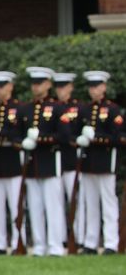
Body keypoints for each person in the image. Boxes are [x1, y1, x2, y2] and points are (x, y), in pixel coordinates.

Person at [16, 67, 68, 256]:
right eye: (34, 83)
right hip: (31, 165)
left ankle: (55, 245)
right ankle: (39, 244)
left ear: (48, 85)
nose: (36, 87)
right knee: (35, 206)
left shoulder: (57, 108)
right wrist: (23, 141)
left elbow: (64, 136)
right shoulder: (26, 109)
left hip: (50, 162)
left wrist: (41, 138)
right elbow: (17, 133)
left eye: (40, 83)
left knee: (53, 206)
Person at [75, 71, 123, 253]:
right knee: (91, 203)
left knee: (108, 203)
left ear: (104, 87)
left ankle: (111, 243)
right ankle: (91, 242)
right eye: (91, 87)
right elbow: (74, 131)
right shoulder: (85, 110)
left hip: (105, 161)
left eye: (97, 86)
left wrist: (97, 138)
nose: (93, 90)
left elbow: (118, 137)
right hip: (89, 163)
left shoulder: (112, 109)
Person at [0, 71, 24, 253]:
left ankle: (18, 241)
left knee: (16, 205)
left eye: (3, 86)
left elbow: (20, 133)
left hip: (13, 161)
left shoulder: (18, 108)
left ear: (10, 86)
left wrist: (4, 134)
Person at [53, 72, 84, 248]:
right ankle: (62, 237)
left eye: (64, 86)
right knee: (56, 203)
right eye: (58, 87)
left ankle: (78, 237)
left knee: (75, 201)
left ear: (71, 87)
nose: (61, 90)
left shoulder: (78, 108)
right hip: (56, 161)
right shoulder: (53, 108)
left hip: (73, 161)